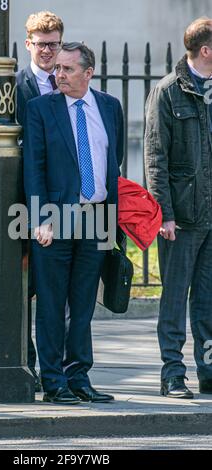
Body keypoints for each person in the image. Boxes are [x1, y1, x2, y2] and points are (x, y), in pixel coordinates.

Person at [24, 42, 123, 404]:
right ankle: (53, 382)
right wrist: (41, 218)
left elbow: (115, 161)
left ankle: (78, 376)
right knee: (51, 304)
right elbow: (33, 168)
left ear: (88, 73)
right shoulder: (41, 110)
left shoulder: (110, 107)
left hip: (97, 217)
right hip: (57, 218)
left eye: (67, 69)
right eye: (58, 69)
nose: (59, 75)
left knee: (82, 305)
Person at [145, 17, 212, 399]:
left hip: (211, 216)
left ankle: (208, 370)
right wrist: (163, 214)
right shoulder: (168, 93)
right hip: (181, 218)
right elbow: (156, 158)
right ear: (205, 50)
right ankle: (172, 373)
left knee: (207, 302)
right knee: (174, 300)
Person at [16, 11, 64, 392]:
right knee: (24, 289)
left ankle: (58, 371)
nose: (47, 51)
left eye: (54, 43)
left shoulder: (68, 81)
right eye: (41, 43)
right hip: (24, 201)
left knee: (55, 292)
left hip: (65, 201)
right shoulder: (16, 85)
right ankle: (27, 366)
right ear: (28, 43)